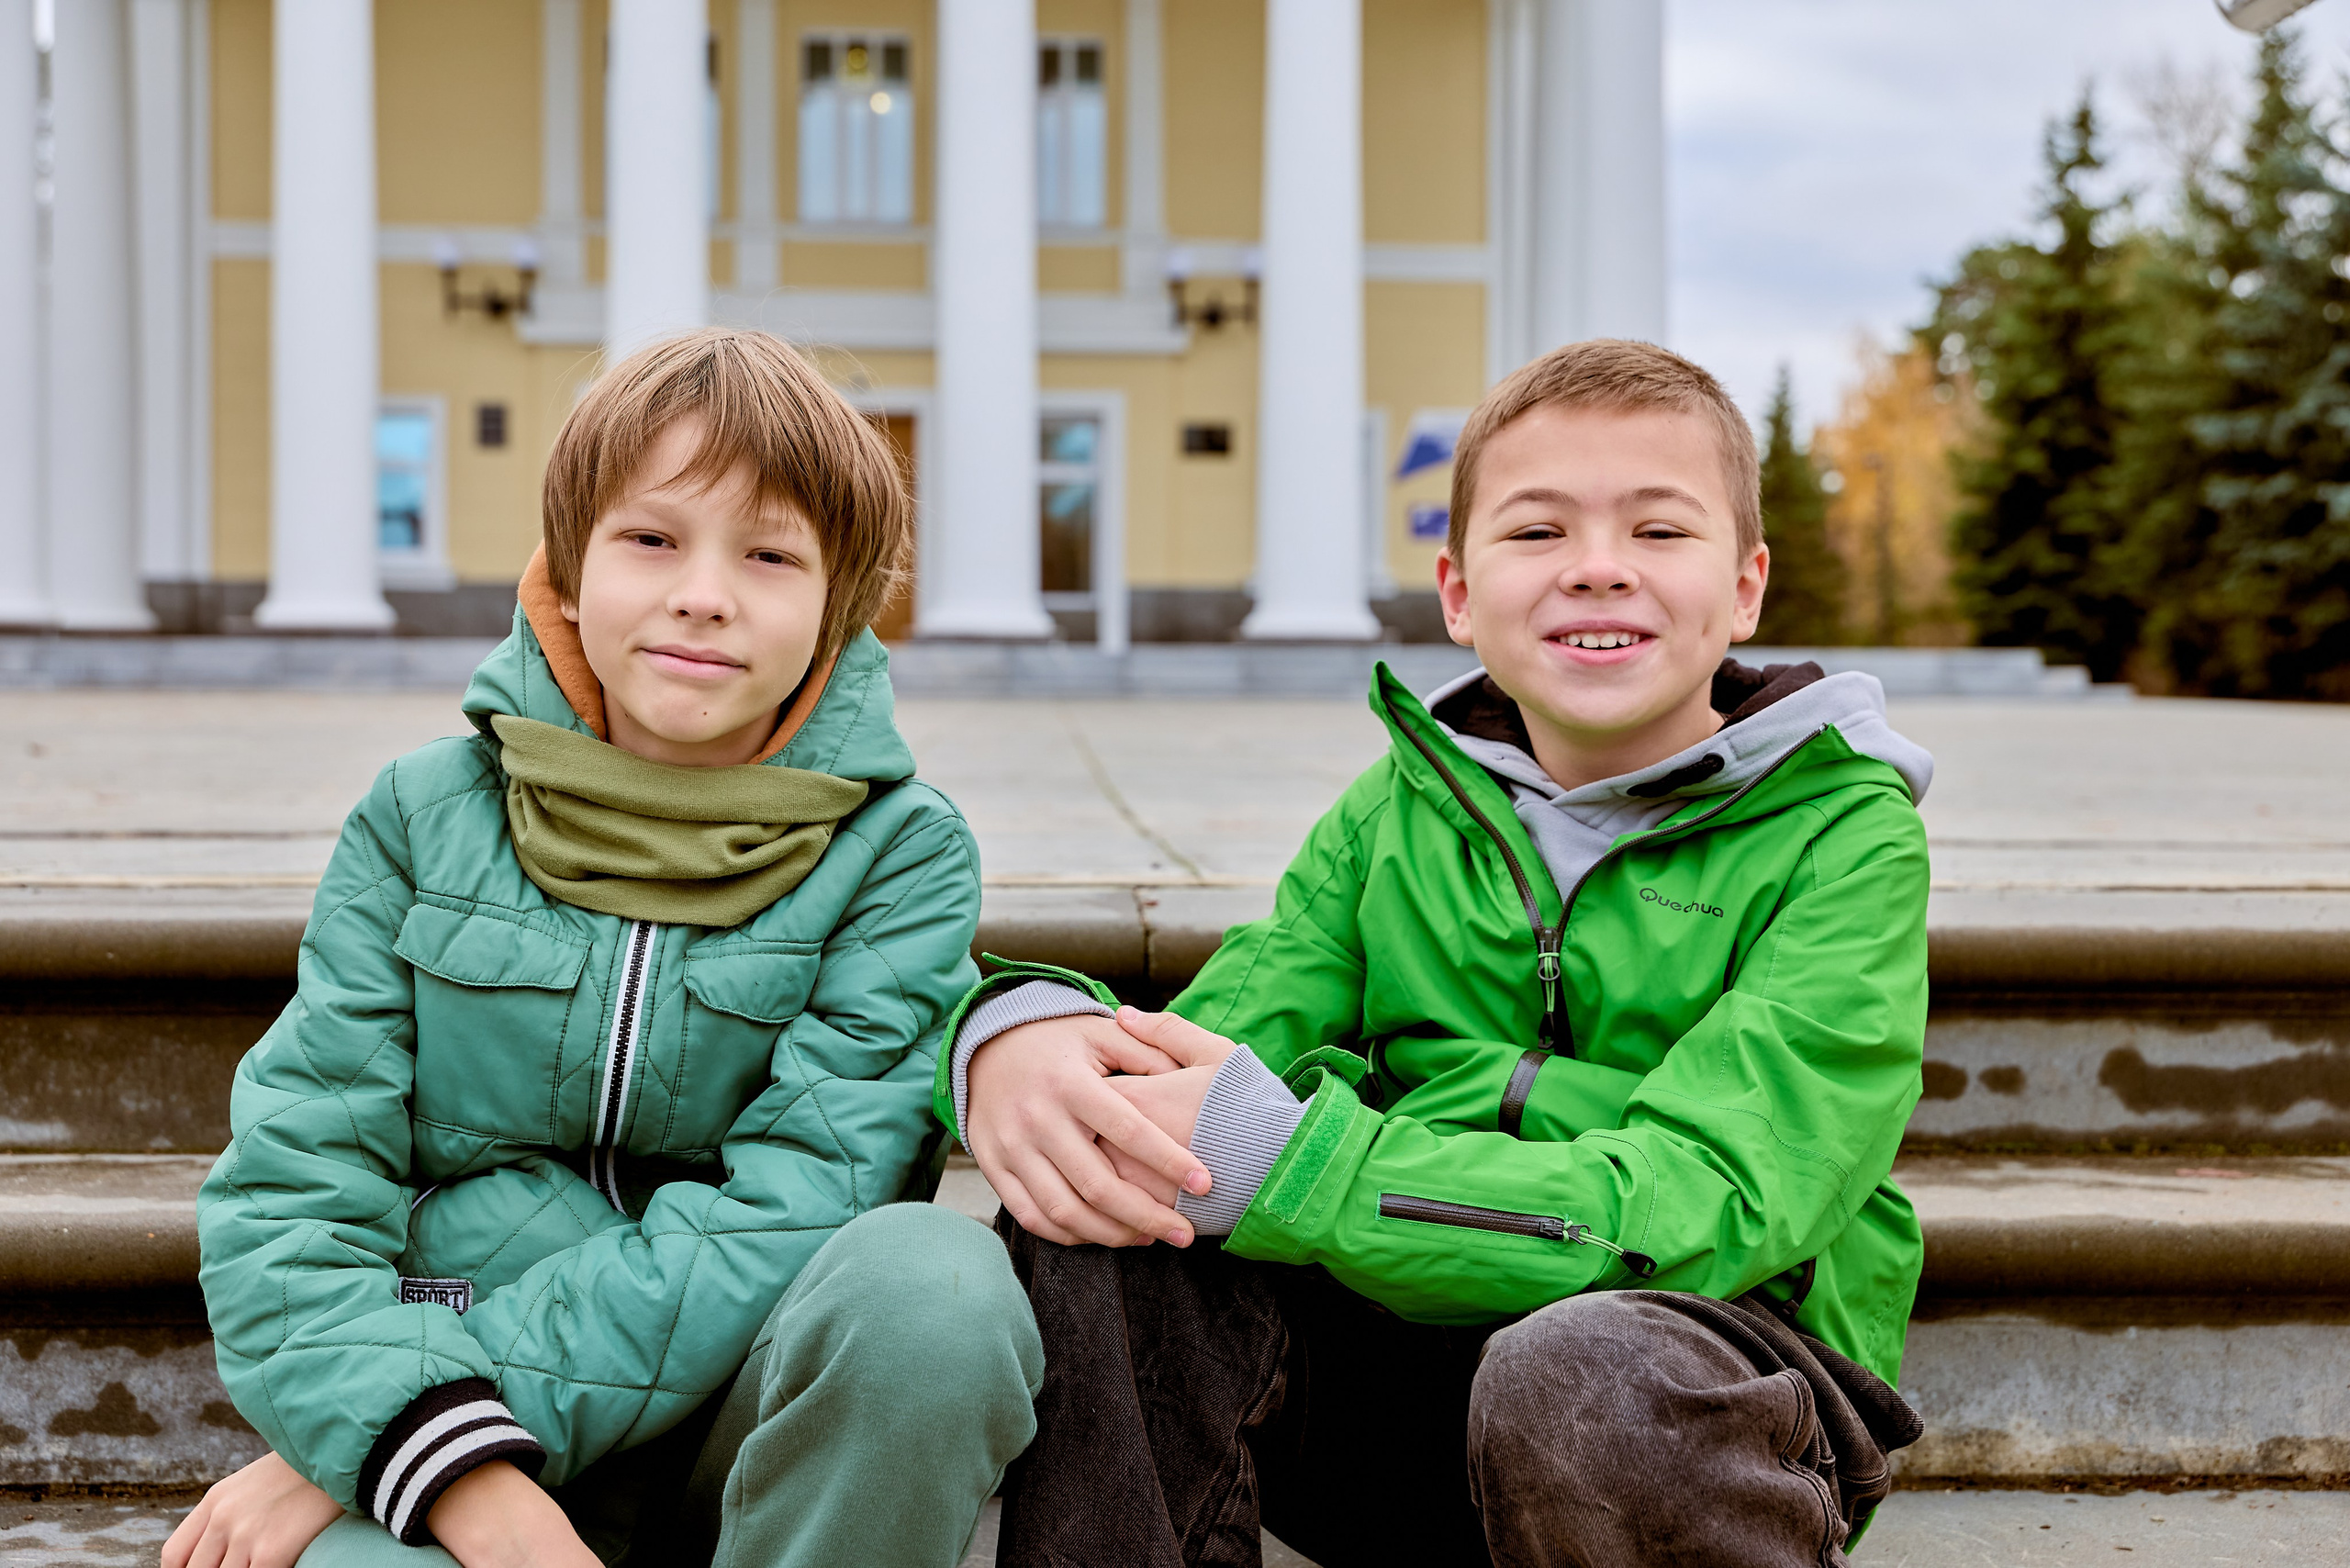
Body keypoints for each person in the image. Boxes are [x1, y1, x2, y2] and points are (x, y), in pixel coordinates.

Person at [947, 339, 1933, 1568]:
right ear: (1459, 594)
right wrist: (1021, 1029)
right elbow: (1207, 1055)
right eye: (1537, 533)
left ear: (1745, 588)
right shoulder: (1394, 818)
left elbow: (1716, 1196)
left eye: (1659, 532)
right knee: (1109, 1210)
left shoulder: (1846, 841)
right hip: (1405, 1400)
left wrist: (1316, 1163)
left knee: (1581, 1367)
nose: (1598, 569)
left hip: (1713, 1396)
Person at [175, 329, 1039, 1568]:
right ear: (568, 570)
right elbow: (296, 1190)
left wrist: (451, 1433)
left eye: (770, 554)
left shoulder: (899, 855)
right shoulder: (423, 816)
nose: (705, 592)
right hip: (447, 1377)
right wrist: (440, 1451)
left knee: (935, 1288)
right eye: (653, 538)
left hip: (743, 1436)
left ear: (838, 615)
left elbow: (798, 1207)